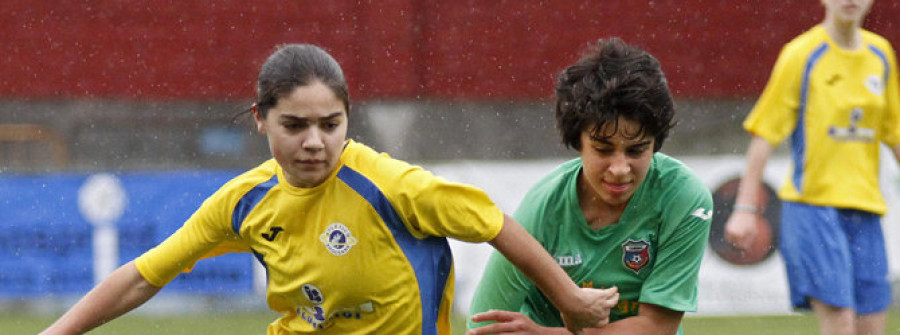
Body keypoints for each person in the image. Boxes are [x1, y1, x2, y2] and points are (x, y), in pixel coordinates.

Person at [39, 44, 619, 335]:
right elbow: (143, 276)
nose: (315, 142)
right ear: (260, 120)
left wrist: (569, 297)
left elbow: (493, 223)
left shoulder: (390, 184)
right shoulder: (243, 200)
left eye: (330, 124)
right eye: (295, 126)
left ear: (347, 119)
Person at [467, 37, 713, 335]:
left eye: (636, 150)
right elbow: (483, 325)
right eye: (603, 149)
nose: (620, 169)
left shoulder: (686, 198)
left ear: (656, 144)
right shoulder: (543, 208)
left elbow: (657, 328)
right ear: (578, 142)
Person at [724, 0, 899, 334]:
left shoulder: (881, 55)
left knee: (872, 327)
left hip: (866, 211)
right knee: (840, 324)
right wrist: (745, 208)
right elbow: (765, 134)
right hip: (812, 209)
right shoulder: (801, 54)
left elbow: (894, 132)